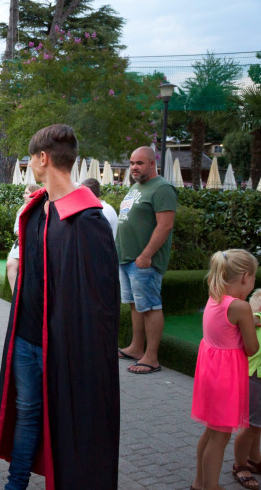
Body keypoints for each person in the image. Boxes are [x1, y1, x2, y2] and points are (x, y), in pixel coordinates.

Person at [0, 124, 120, 489]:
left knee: (68, 422)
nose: (31, 164)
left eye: (32, 157)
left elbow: (100, 306)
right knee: (28, 414)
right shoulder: (35, 211)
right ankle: (15, 485)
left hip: (65, 349)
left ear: (43, 158)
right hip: (26, 339)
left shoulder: (88, 220)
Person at [191, 249, 259, 490]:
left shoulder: (214, 296)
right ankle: (210, 486)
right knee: (220, 438)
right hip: (226, 377)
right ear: (245, 277)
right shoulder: (240, 307)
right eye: (253, 279)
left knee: (211, 433)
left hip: (210, 372)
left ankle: (200, 483)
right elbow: (252, 348)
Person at [116, 146, 178, 374]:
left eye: (139, 163)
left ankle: (151, 357)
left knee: (150, 307)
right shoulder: (136, 187)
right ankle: (135, 348)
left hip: (144, 262)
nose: (134, 167)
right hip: (127, 259)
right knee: (135, 306)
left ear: (152, 164)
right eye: (132, 163)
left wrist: (146, 255)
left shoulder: (162, 188)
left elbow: (165, 225)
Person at [233, 288, 261, 490]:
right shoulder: (255, 319)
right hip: (254, 377)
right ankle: (240, 464)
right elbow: (251, 320)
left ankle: (254, 458)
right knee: (251, 425)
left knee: (258, 424)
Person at [6, 184, 41, 293]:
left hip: (35, 244)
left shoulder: (42, 210)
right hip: (21, 242)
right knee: (10, 264)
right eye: (24, 193)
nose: (24, 196)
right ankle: (14, 297)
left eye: (27, 193)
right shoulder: (21, 210)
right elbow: (16, 229)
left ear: (34, 194)